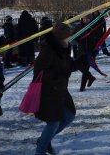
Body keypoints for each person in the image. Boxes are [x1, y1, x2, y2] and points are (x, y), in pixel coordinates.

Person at [34, 23, 87, 155]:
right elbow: (39, 71)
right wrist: (57, 74)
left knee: (69, 115)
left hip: (60, 91)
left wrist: (83, 60)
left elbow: (68, 66)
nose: (70, 39)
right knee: (53, 123)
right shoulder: (48, 50)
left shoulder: (63, 48)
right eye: (68, 36)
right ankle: (40, 151)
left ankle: (43, 140)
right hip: (49, 92)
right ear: (60, 38)